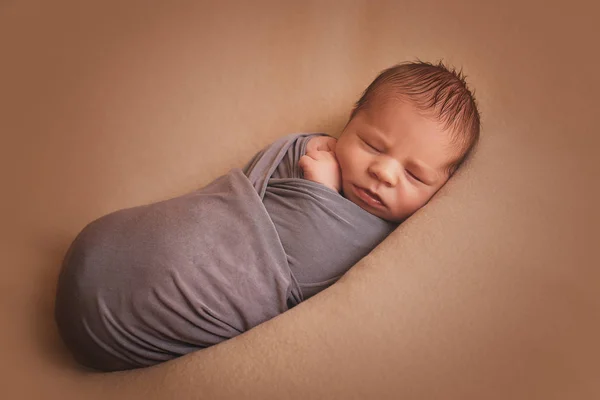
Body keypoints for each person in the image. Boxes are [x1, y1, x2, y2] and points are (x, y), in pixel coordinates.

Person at [55, 60, 481, 371]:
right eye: (372, 145)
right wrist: (315, 179)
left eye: (414, 174)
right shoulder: (309, 150)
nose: (383, 173)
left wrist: (317, 193)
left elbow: (308, 261)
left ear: (441, 190)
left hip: (116, 328)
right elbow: (271, 165)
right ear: (349, 124)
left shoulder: (381, 242)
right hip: (99, 250)